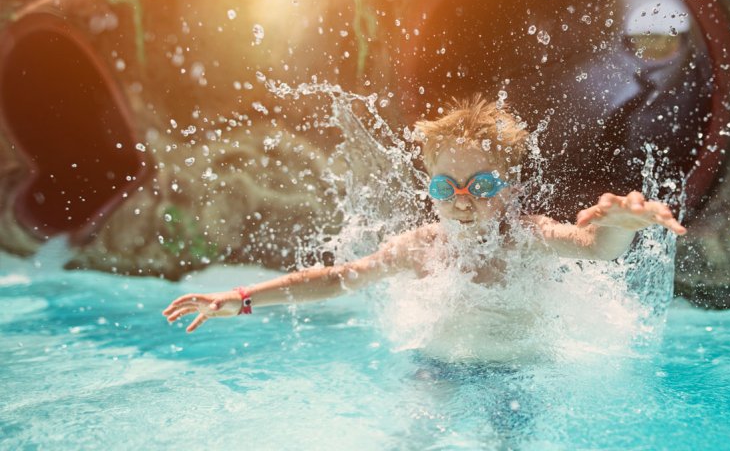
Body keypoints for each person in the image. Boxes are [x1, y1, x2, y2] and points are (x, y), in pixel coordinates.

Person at [162, 95, 686, 336]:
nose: (462, 199)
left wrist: (619, 225)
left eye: (482, 185)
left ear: (513, 187)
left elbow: (592, 247)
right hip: (436, 368)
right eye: (445, 185)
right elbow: (339, 279)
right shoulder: (418, 246)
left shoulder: (526, 236)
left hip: (517, 380)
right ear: (429, 189)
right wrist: (241, 298)